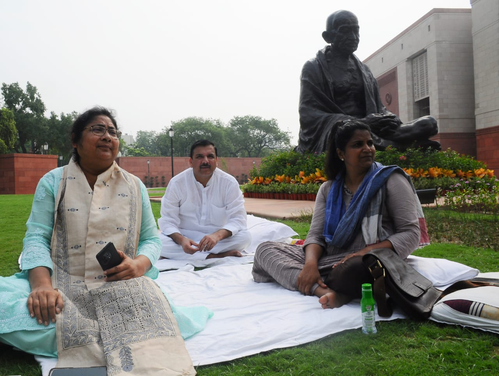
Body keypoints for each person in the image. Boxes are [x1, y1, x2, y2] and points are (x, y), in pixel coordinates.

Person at [0, 107, 197, 374]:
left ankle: (96, 335)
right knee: (28, 309)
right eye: (97, 129)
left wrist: (138, 265)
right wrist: (41, 287)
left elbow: (151, 239)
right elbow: (36, 236)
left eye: (113, 132)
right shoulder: (53, 182)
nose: (107, 136)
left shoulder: (134, 185)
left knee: (161, 318)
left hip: (121, 286)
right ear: (75, 141)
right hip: (62, 283)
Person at [253, 119, 429, 309]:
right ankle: (323, 290)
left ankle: (312, 280)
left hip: (370, 259)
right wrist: (310, 265)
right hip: (331, 259)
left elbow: (411, 233)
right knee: (265, 250)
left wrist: (362, 253)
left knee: (356, 269)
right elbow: (316, 235)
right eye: (357, 145)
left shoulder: (390, 180)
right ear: (340, 153)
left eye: (370, 143)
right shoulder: (328, 189)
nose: (367, 148)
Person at [296, 10, 440, 154]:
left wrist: (388, 118)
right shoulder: (314, 67)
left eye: (356, 31)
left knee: (429, 124)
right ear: (328, 37)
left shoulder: (364, 70)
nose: (353, 37)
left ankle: (396, 145)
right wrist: (361, 123)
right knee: (347, 132)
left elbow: (379, 107)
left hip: (373, 128)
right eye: (345, 31)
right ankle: (401, 147)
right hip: (340, 130)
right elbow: (308, 114)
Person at [159, 139, 252, 260]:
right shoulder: (177, 183)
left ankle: (197, 256)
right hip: (186, 236)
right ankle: (215, 256)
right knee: (159, 242)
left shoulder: (229, 183)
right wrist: (182, 241)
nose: (205, 161)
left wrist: (216, 236)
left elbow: (238, 219)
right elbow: (167, 220)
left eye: (210, 156)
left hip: (218, 238)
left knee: (245, 237)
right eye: (199, 157)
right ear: (190, 161)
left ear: (216, 160)